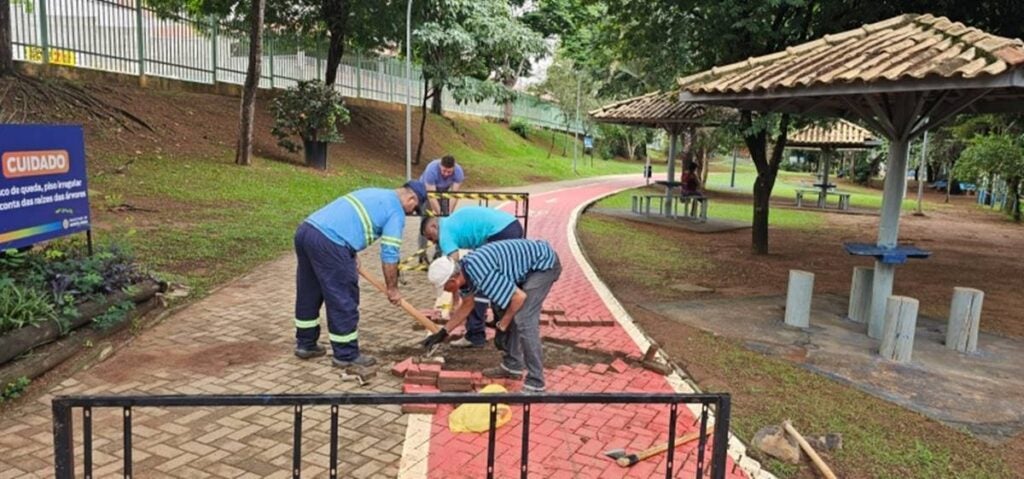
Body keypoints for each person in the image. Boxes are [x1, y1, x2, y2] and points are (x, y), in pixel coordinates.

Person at [293, 181, 428, 368]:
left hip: (307, 231)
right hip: (331, 243)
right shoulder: (395, 212)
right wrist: (392, 289)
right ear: (411, 198)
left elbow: (347, 218)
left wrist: (351, 253)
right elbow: (390, 254)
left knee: (309, 292)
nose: (411, 212)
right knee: (343, 298)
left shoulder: (374, 191)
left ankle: (305, 344)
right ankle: (346, 354)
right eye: (414, 208)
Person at [423, 239, 561, 393]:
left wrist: (502, 325)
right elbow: (467, 305)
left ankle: (536, 383)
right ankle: (513, 365)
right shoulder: (465, 272)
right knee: (504, 308)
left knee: (524, 318)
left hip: (543, 265)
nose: (446, 292)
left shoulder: (480, 272)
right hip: (526, 268)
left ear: (453, 280)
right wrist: (443, 332)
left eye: (444, 287)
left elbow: (518, 298)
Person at [420, 206, 524, 348]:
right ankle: (499, 322)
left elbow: (453, 266)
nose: (432, 241)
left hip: (500, 232)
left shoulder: (444, 234)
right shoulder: (450, 221)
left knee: (479, 286)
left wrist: (456, 300)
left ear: (434, 225)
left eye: (430, 236)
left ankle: (476, 335)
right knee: (495, 279)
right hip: (511, 225)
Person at [418, 155, 464, 262]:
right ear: (440, 166)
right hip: (426, 192)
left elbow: (454, 194)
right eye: (444, 171)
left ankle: (439, 252)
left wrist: (448, 214)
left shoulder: (458, 172)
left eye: (449, 172)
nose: (446, 174)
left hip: (444, 193)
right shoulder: (431, 169)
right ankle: (422, 254)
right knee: (427, 224)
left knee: (444, 224)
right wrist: (439, 215)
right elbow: (432, 196)